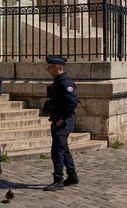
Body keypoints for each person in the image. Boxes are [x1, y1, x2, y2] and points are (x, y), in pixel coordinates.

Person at [42, 56, 79, 191]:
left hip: (62, 122)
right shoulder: (58, 82)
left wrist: (62, 118)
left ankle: (58, 180)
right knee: (64, 149)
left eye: (50, 67)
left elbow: (72, 101)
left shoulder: (65, 82)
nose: (48, 69)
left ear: (57, 67)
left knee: (57, 151)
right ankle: (72, 175)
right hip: (58, 119)